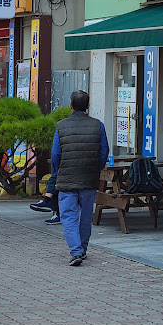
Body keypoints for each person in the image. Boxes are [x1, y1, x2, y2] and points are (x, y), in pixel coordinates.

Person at [52, 90, 109, 266]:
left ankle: (76, 251)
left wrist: (59, 172)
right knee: (85, 216)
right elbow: (104, 153)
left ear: (70, 106)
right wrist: (96, 169)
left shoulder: (61, 126)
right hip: (89, 178)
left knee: (68, 216)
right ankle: (82, 249)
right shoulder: (98, 125)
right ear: (88, 105)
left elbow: (55, 155)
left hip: (67, 179)